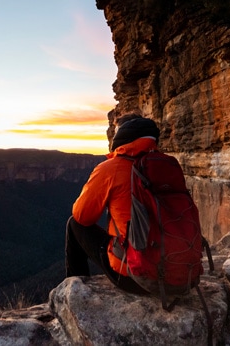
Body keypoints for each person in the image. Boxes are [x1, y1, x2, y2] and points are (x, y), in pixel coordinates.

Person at [65, 114, 160, 294]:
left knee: (73, 224)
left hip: (136, 277)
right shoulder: (167, 165)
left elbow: (82, 217)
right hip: (179, 273)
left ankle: (75, 291)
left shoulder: (111, 168)